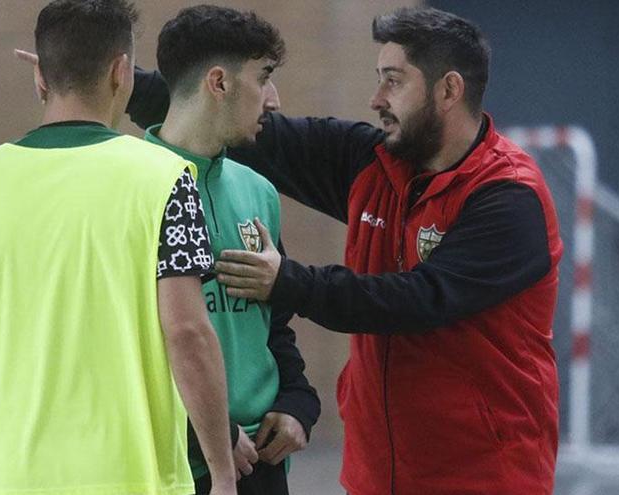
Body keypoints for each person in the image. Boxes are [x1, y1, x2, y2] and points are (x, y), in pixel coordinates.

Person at [127, 6, 563, 495]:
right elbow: (217, 111)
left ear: (449, 90)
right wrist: (97, 81)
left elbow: (419, 300)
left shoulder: (509, 197)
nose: (376, 99)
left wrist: (288, 281)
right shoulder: (371, 163)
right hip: (378, 476)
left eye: (393, 82)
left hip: (484, 476)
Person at [0, 1, 236, 494]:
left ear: (40, 77)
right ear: (121, 72)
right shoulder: (166, 181)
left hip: (3, 481)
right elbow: (189, 334)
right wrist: (224, 472)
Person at [17, 6, 319, 495]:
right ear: (218, 83)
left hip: (261, 464)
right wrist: (211, 437)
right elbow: (110, 343)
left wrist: (297, 403)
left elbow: (272, 324)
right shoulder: (122, 188)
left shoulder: (257, 190)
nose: (274, 99)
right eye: (264, 78)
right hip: (172, 467)